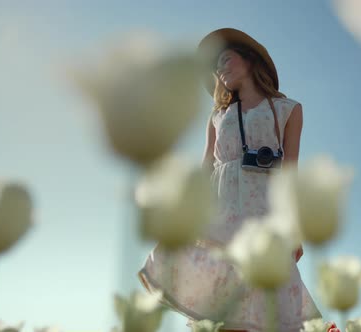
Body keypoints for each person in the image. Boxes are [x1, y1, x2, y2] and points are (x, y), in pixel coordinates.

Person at [138, 28, 322, 332]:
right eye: (215, 67)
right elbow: (206, 167)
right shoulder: (218, 117)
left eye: (225, 59)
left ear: (249, 59)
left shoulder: (289, 110)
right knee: (225, 309)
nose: (220, 70)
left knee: (265, 307)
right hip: (220, 215)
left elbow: (291, 174)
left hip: (265, 215)